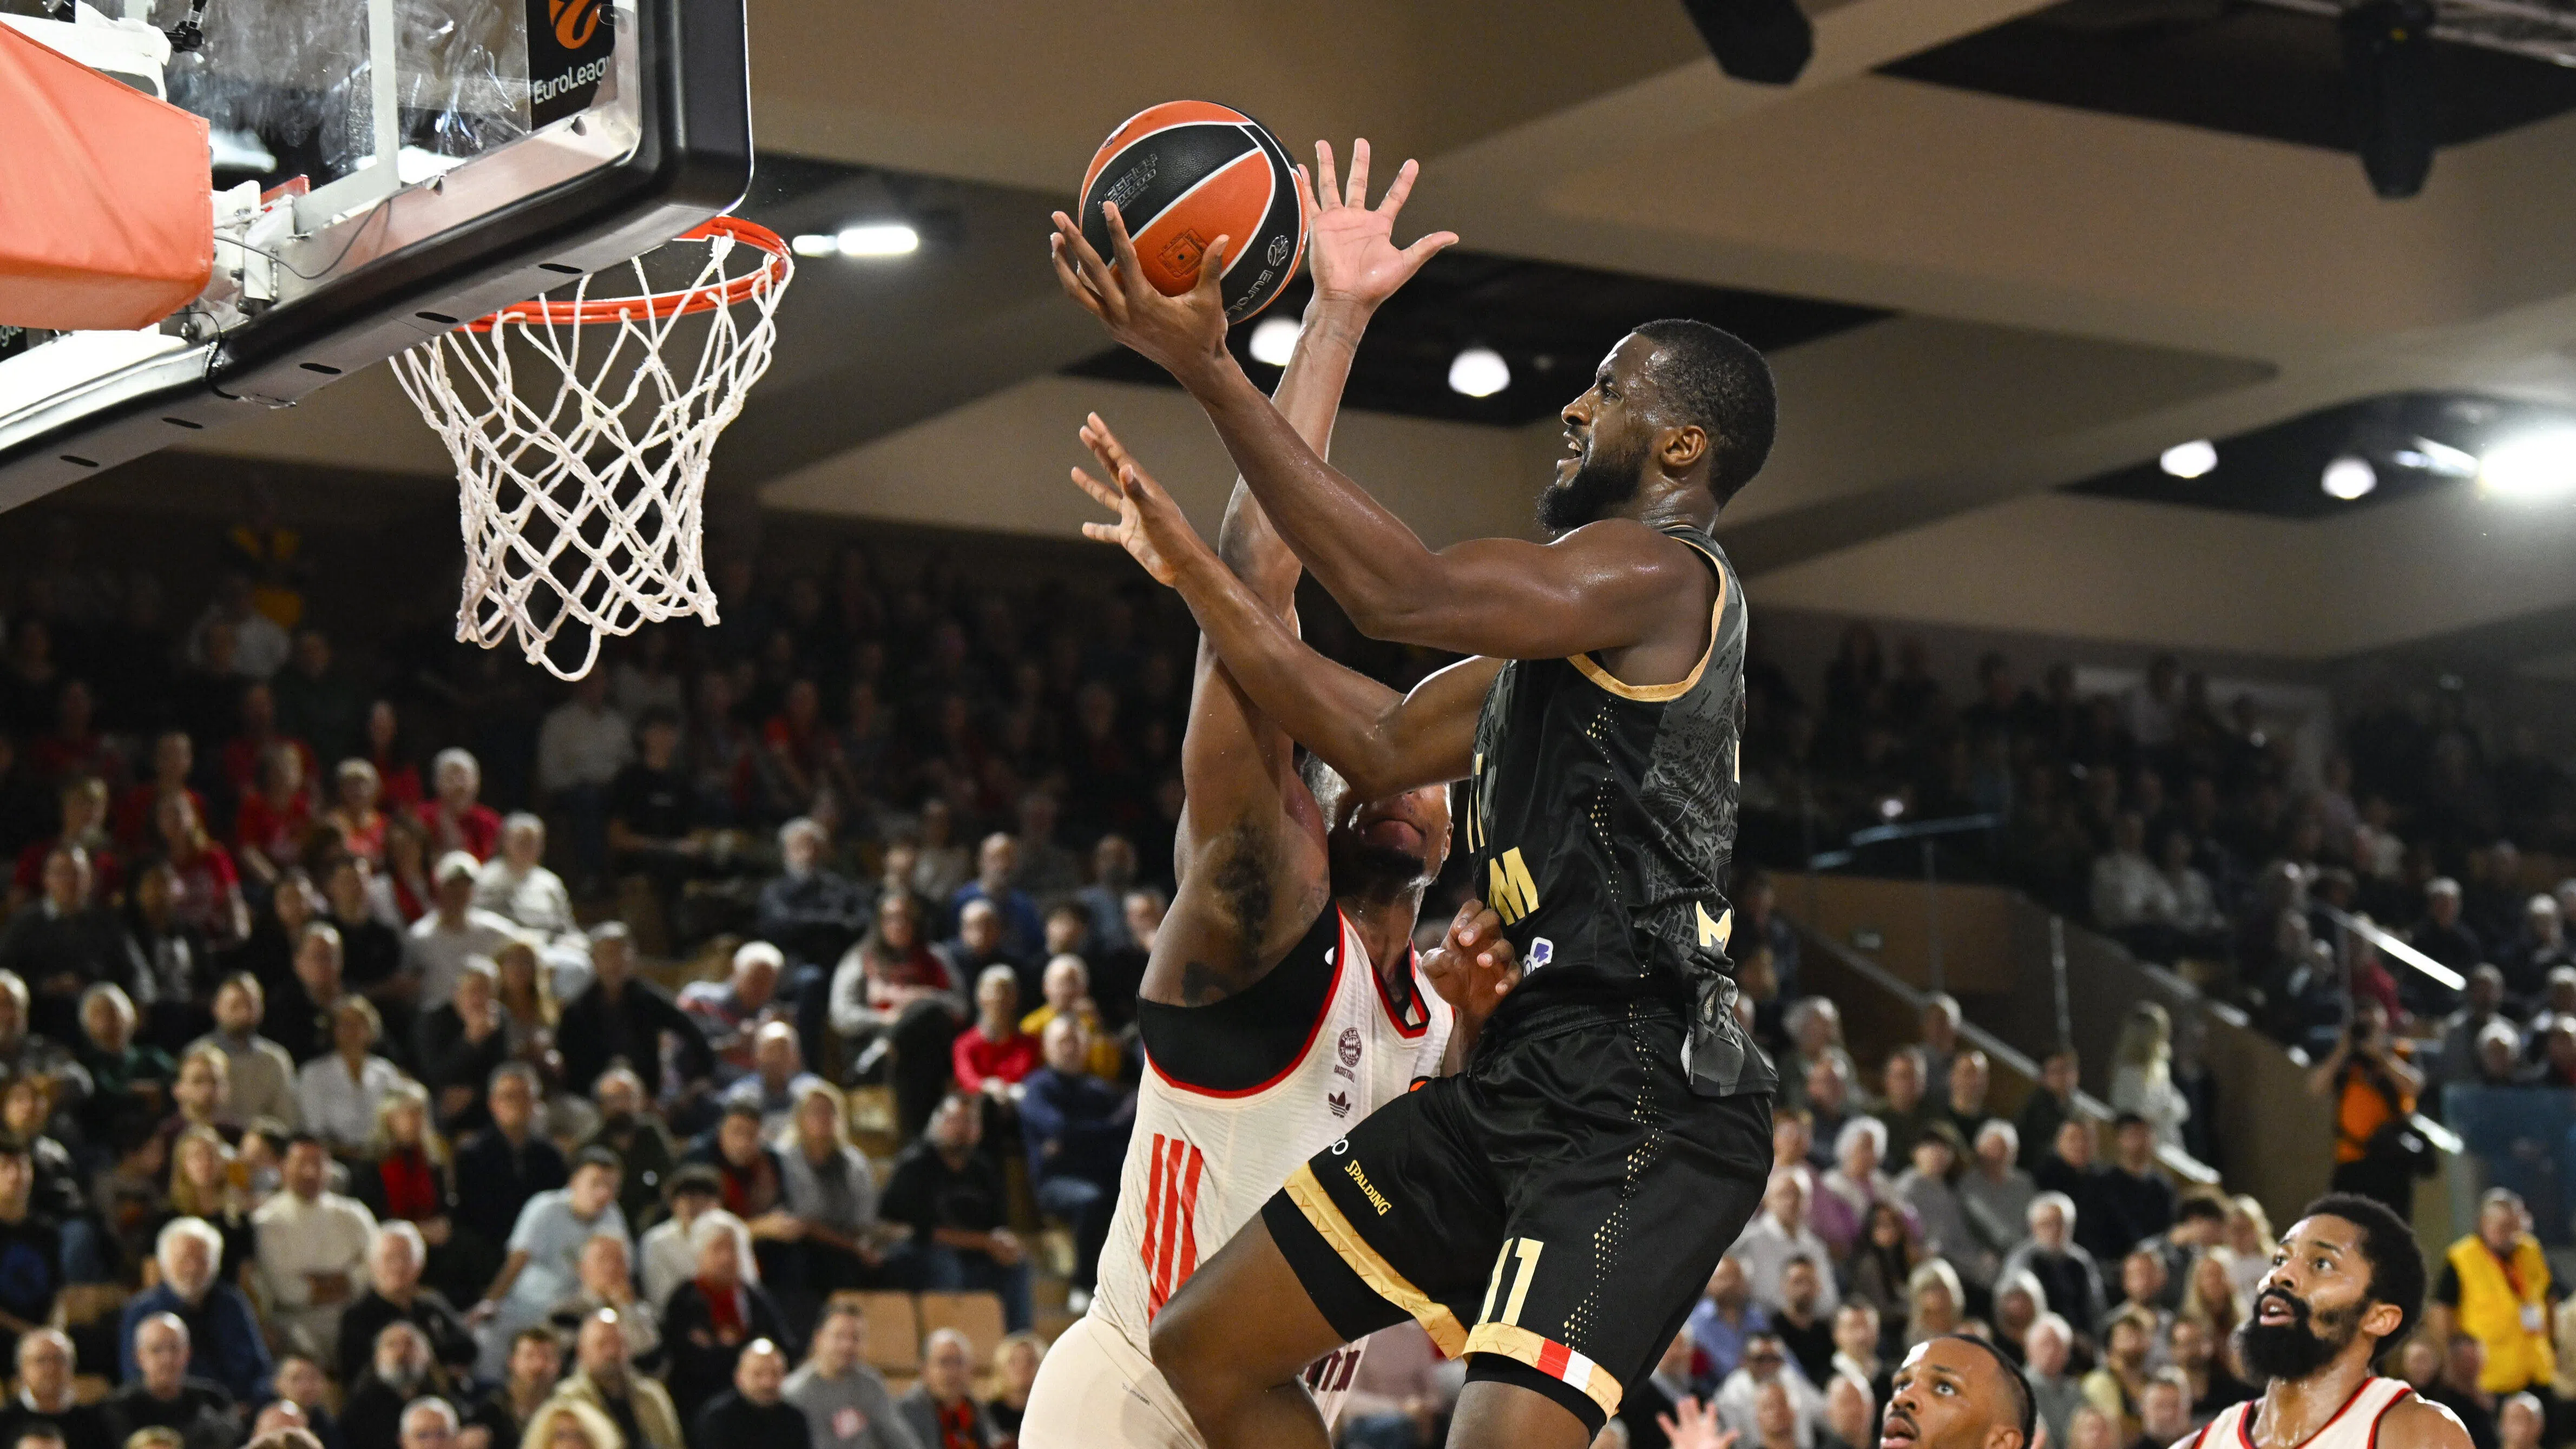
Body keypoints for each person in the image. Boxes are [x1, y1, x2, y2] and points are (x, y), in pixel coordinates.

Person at [1057, 149, 1780, 1448]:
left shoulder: (1663, 575)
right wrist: (1200, 578)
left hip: (1643, 1088)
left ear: (1682, 442)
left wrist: (1212, 369)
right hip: (1526, 1072)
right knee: (1206, 1349)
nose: (1574, 408)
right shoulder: (1534, 669)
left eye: (1606, 391)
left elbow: (1397, 595)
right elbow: (1373, 735)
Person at [2195, 1195, 2468, 1449]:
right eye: (2280, 1259)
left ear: (2379, 1318)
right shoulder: (2202, 1443)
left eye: (2322, 1264)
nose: (2281, 1275)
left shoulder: (2420, 1436)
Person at [471, 1147, 627, 1380]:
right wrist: (490, 1301)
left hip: (577, 1313)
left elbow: (619, 1274)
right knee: (487, 1335)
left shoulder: (613, 1218)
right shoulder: (546, 1208)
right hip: (528, 1306)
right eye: (596, 1183)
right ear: (574, 1182)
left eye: (612, 1186)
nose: (603, 1193)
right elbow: (516, 1262)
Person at [880, 1092, 1030, 1332]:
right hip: (916, 1257)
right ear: (937, 1122)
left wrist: (1005, 1243)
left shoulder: (984, 1170)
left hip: (971, 1257)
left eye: (969, 1122)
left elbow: (998, 1226)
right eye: (954, 1120)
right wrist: (986, 1243)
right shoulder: (915, 1165)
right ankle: (945, 1345)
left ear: (979, 1129)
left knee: (1017, 1264)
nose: (961, 1129)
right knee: (945, 1263)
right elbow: (919, 1233)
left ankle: (1018, 1345)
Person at [826, 890, 962, 1141]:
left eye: (905, 919)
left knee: (929, 1018)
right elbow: (842, 1015)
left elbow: (960, 1007)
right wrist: (886, 1020)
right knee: (915, 1058)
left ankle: (888, 1046)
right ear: (879, 923)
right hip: (871, 1044)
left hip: (921, 1052)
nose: (899, 925)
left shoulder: (936, 958)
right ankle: (917, 1141)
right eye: (891, 918)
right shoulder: (861, 958)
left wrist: (919, 997)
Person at [1015, 1016, 1130, 1306]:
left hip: (1102, 1174)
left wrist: (1073, 1140)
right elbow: (1059, 1128)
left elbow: (1125, 1133)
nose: (1071, 1048)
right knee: (1090, 1201)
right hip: (1056, 1182)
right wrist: (1106, 1129)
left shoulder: (1099, 1090)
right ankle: (1083, 1284)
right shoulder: (1037, 1088)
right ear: (1047, 1047)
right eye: (1063, 1041)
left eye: (1077, 1041)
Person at [554, 930, 710, 1116]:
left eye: (621, 955)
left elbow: (693, 1033)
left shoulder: (649, 1001)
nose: (615, 963)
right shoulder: (577, 1011)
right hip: (593, 1103)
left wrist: (696, 1083)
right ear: (595, 960)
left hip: (647, 1099)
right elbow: (570, 1065)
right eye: (608, 955)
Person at [253, 1134, 380, 1359]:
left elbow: (375, 1267)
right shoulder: (267, 1221)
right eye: (302, 1163)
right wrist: (343, 1281)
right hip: (295, 1323)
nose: (310, 1172)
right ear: (284, 1167)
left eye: (318, 1164)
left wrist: (320, 1283)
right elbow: (286, 1290)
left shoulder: (353, 1215)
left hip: (354, 1318)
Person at [660, 1213, 794, 1424]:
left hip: (760, 1402)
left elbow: (783, 1347)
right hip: (701, 1405)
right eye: (717, 1249)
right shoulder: (684, 1300)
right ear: (700, 1254)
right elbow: (690, 1359)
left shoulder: (755, 1298)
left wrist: (722, 1347)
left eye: (732, 1249)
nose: (726, 1258)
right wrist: (738, 1351)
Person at [118, 1217, 271, 1402]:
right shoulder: (142, 1310)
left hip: (241, 1410)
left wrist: (254, 1402)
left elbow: (260, 1367)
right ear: (165, 1263)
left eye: (202, 1260)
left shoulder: (232, 1302)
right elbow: (134, 1377)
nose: (193, 1268)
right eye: (184, 1260)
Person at [2428, 1190, 2552, 1406]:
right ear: (2484, 1223)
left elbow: (2549, 1297)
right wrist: (2451, 1366)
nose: (2512, 1233)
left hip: (2537, 1370)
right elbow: (2440, 1312)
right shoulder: (2461, 1258)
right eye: (2503, 1226)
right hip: (2490, 1378)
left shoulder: (2530, 1250)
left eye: (2516, 1225)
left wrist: (2554, 1343)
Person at [2307, 1001, 2426, 1223]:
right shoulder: (2346, 1059)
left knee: (2390, 1232)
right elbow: (2315, 1087)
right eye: (2363, 1024)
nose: (2368, 1029)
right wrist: (2343, 1047)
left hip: (2392, 1160)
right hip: (2352, 1160)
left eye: (2373, 1023)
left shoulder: (2399, 1050)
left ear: (2385, 1024)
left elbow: (2415, 1086)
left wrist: (2381, 1056)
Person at [773, 1081, 888, 1300]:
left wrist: (861, 1247)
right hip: (800, 1244)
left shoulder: (855, 1163)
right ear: (800, 1118)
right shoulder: (784, 1160)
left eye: (830, 1112)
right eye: (816, 1112)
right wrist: (853, 1248)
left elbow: (864, 1219)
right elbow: (801, 1221)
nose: (824, 1118)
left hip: (846, 1244)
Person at [335, 1222, 477, 1392]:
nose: (398, 1267)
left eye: (406, 1257)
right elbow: (356, 1374)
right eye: (389, 1259)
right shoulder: (357, 1316)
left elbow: (468, 1347)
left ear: (420, 1264)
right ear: (373, 1265)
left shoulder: (430, 1304)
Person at [780, 1301, 911, 1449]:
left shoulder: (871, 1384)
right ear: (819, 1339)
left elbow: (901, 1439)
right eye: (839, 1336)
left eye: (856, 1338)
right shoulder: (795, 1393)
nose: (847, 1346)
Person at [408, 855, 523, 1015]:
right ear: (440, 888)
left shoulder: (492, 930)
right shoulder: (420, 937)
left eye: (466, 885)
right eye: (453, 885)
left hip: (484, 1016)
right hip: (437, 1019)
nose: (459, 892)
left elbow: (527, 948)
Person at [552, 1312, 683, 1449]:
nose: (612, 1352)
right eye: (602, 1344)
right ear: (581, 1352)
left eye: (618, 1343)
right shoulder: (568, 1401)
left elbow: (674, 1444)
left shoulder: (651, 1396)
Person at [187, 974, 300, 1130]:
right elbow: (190, 1114)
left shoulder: (275, 1059)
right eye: (235, 1006)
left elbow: (287, 1120)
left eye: (250, 1005)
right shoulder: (197, 1055)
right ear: (216, 1008)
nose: (243, 1014)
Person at [106, 1315, 237, 1449]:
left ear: (188, 1353)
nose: (167, 1359)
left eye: (175, 1348)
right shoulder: (120, 1408)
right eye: (156, 1350)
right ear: (139, 1357)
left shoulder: (213, 1400)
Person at [297, 998, 403, 1154]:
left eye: (359, 1024)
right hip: (333, 1156)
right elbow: (315, 1129)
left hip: (380, 1156)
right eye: (345, 1024)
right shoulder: (314, 1073)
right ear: (334, 1030)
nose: (352, 1031)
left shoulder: (385, 1072)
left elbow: (396, 1120)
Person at [543, 1235, 660, 1370]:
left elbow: (654, 1363)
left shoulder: (644, 1312)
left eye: (618, 1261)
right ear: (582, 1268)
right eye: (602, 1260)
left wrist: (628, 1310)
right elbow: (567, 1363)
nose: (611, 1268)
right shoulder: (564, 1315)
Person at [1737, 1172, 1839, 1317]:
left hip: (1812, 1324)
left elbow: (1829, 1299)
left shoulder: (1816, 1246)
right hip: (1767, 1324)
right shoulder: (1750, 1240)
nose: (1791, 1202)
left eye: (1797, 1195)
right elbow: (1759, 1294)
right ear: (1767, 1201)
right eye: (1783, 1195)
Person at [693, 1339, 811, 1449]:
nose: (767, 1383)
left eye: (775, 1373)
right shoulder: (718, 1420)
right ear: (739, 1377)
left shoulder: (794, 1421)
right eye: (758, 1374)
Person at [0, 1330, 109, 1449]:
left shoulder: (95, 1424)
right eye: (41, 1360)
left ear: (73, 1367)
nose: (51, 1369)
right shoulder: (4, 1422)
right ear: (22, 1369)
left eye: (59, 1359)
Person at [948, 966, 1037, 1107]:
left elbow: (1033, 1081)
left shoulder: (1030, 1045)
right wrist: (986, 1086)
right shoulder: (965, 1044)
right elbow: (966, 1078)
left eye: (1007, 992)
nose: (1000, 999)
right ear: (980, 997)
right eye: (994, 992)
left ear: (1016, 998)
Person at [462, 1328, 559, 1449]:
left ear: (559, 1364)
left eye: (546, 1357)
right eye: (530, 1356)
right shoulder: (488, 1415)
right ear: (512, 1361)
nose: (538, 1366)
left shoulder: (567, 1412)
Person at [898, 1329, 988, 1449]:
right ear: (924, 1370)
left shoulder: (978, 1409)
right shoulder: (904, 1414)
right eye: (944, 1362)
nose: (953, 1372)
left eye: (959, 1362)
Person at [1616, 1329, 1699, 1449]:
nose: (1675, 1354)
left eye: (1681, 1346)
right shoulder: (1639, 1393)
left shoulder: (1698, 1396)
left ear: (1690, 1353)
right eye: (1670, 1346)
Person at [2025, 1315, 2083, 1449]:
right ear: (2028, 1349)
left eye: (2058, 1345)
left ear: (2068, 1353)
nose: (2051, 1351)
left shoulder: (2074, 1391)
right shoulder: (2017, 1389)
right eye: (2045, 1344)